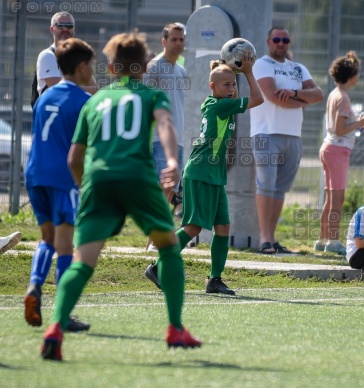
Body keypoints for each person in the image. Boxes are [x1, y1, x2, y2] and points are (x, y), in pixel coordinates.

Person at [41, 32, 201, 361]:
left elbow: (74, 158)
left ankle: (55, 328)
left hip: (99, 182)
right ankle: (174, 328)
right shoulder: (152, 96)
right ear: (144, 66)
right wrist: (172, 160)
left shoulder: (95, 100)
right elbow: (166, 125)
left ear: (111, 67)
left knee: (82, 263)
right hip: (138, 180)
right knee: (169, 250)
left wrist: (87, 187)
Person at [144, 50, 264, 296]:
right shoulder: (221, 106)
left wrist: (235, 70)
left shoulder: (222, 103)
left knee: (222, 227)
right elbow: (259, 99)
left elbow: (239, 96)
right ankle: (157, 266)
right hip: (200, 172)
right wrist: (248, 71)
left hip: (214, 175)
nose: (232, 89)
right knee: (193, 227)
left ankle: (215, 280)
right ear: (213, 86)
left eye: (234, 84)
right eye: (226, 84)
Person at [24, 38, 95, 332]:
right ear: (81, 67)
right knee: (67, 244)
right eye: (91, 64)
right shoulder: (83, 101)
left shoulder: (44, 98)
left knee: (47, 239)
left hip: (35, 174)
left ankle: (34, 285)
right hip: (62, 177)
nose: (93, 69)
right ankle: (62, 314)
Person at [251, 27, 324, 254]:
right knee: (266, 184)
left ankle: (272, 239)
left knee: (280, 188)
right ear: (268, 41)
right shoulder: (262, 64)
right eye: (277, 39)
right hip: (266, 133)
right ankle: (263, 239)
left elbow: (319, 95)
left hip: (293, 134)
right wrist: (302, 97)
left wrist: (293, 94)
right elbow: (273, 97)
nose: (281, 43)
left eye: (285, 40)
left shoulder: (298, 68)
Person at [315, 51, 364, 256]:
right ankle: (333, 240)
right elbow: (339, 129)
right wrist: (361, 123)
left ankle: (322, 239)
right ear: (352, 75)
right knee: (337, 198)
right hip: (337, 151)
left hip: (329, 147)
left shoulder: (335, 94)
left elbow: (341, 128)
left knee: (331, 197)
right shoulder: (344, 98)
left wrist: (357, 127)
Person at [143, 23, 187, 248]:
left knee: (170, 192)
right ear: (164, 41)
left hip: (177, 139)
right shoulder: (154, 67)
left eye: (181, 40)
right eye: (174, 39)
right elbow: (145, 102)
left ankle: (154, 239)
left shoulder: (181, 70)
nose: (178, 43)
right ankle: (154, 242)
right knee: (164, 189)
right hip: (158, 139)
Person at [36, 12, 97, 97]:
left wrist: (69, 88)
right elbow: (57, 91)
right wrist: (80, 88)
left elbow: (95, 89)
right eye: (60, 25)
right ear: (52, 29)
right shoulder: (47, 55)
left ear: (74, 29)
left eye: (69, 25)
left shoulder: (78, 57)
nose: (65, 29)